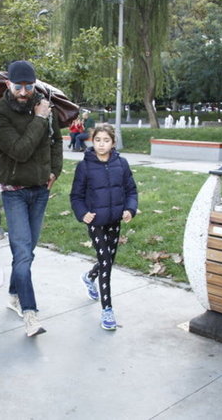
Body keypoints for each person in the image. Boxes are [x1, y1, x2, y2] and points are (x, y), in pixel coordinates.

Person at [0, 60, 63, 337]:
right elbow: (20, 150)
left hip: (40, 190)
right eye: (18, 86)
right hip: (14, 192)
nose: (23, 92)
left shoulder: (44, 106)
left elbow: (56, 140)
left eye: (28, 86)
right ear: (8, 84)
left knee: (26, 253)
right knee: (22, 253)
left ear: (34, 84)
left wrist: (55, 170)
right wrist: (39, 119)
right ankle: (30, 314)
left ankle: (13, 295)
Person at [70, 123, 138, 330]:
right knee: (106, 262)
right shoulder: (84, 166)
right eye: (98, 140)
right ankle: (107, 309)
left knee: (108, 261)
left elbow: (131, 190)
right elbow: (76, 196)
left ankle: (89, 277)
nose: (101, 144)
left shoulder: (122, 164)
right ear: (93, 141)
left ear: (113, 143)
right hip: (96, 221)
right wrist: (82, 213)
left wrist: (130, 209)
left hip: (115, 220)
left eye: (106, 140)